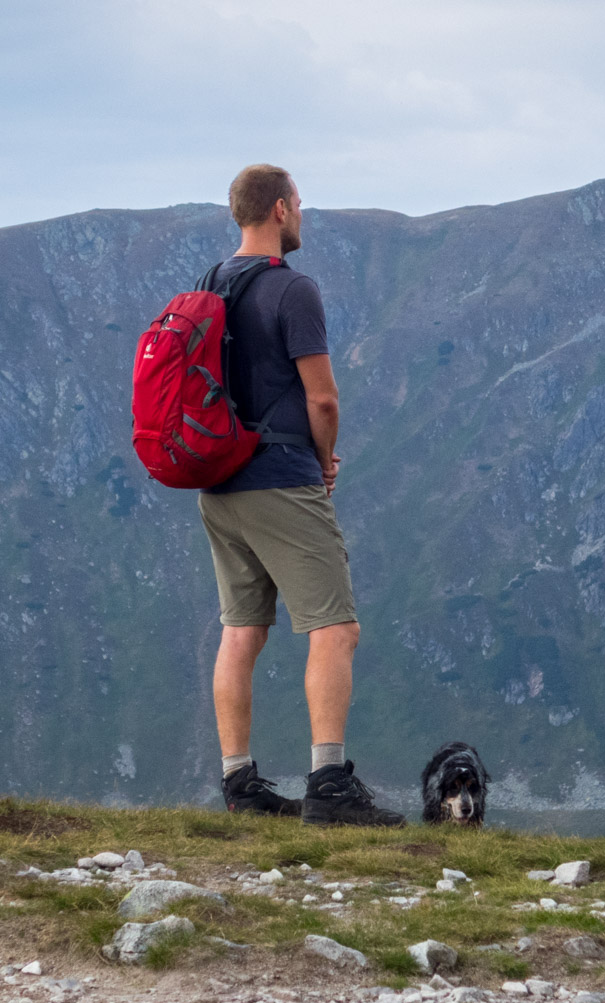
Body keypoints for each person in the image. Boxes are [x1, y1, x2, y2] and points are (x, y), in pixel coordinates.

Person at [200, 164, 402, 827]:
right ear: (281, 209)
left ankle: (239, 784)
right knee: (335, 627)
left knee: (242, 630)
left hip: (218, 479)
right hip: (280, 477)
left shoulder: (209, 285)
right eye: (301, 206)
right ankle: (329, 784)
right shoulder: (293, 291)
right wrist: (321, 463)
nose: (304, 217)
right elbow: (322, 396)